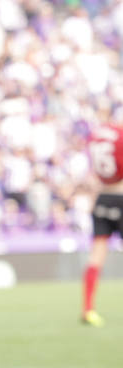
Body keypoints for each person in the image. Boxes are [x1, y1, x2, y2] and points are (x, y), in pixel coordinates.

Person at [82, 121, 123, 326]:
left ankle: (88, 309)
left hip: (102, 198)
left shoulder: (96, 135)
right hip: (121, 196)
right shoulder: (120, 134)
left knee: (96, 255)